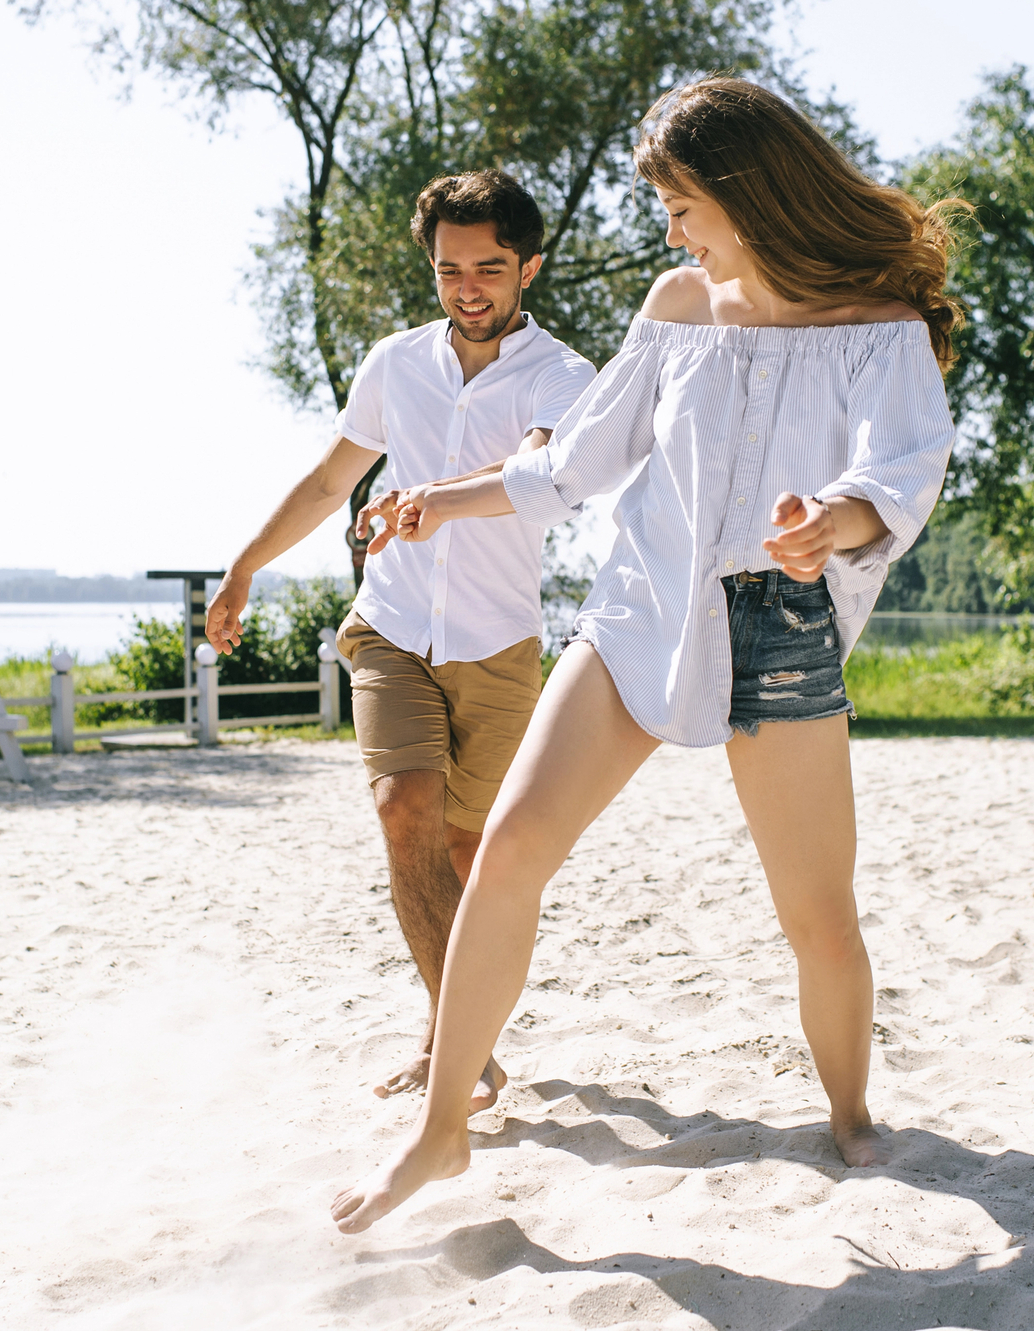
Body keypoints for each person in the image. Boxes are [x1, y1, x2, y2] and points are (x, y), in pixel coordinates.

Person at [329, 77, 965, 1234]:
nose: (668, 227)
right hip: (633, 612)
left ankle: (852, 1110)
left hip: (777, 624)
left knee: (815, 913)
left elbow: (903, 468)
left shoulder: (876, 322)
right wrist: (442, 498)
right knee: (513, 848)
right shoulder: (676, 303)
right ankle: (439, 1131)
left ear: (740, 189)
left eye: (678, 201)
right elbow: (572, 461)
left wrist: (835, 520)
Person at [205, 170, 596, 1113]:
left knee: (469, 858)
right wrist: (245, 564)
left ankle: (447, 1035)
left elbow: (533, 466)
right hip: (389, 628)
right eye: (450, 268)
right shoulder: (394, 363)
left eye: (490, 267)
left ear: (528, 268)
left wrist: (432, 498)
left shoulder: (562, 374)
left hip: (498, 646)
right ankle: (461, 1055)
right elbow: (331, 476)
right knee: (403, 813)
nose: (469, 287)